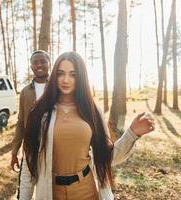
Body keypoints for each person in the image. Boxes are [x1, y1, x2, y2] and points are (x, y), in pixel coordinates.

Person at [19, 52, 155, 200]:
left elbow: (106, 157)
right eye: (60, 73)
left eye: (73, 74)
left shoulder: (92, 111)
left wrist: (132, 133)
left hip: (86, 191)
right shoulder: (40, 112)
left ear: (81, 77)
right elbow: (28, 164)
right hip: (51, 193)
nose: (66, 80)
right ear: (54, 76)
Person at [11, 50, 50, 171]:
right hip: (30, 147)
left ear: (49, 63)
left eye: (43, 61)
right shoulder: (25, 92)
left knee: (47, 187)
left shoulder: (56, 88)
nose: (39, 65)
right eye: (35, 62)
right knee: (25, 186)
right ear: (31, 66)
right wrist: (14, 152)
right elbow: (21, 122)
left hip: (53, 147)